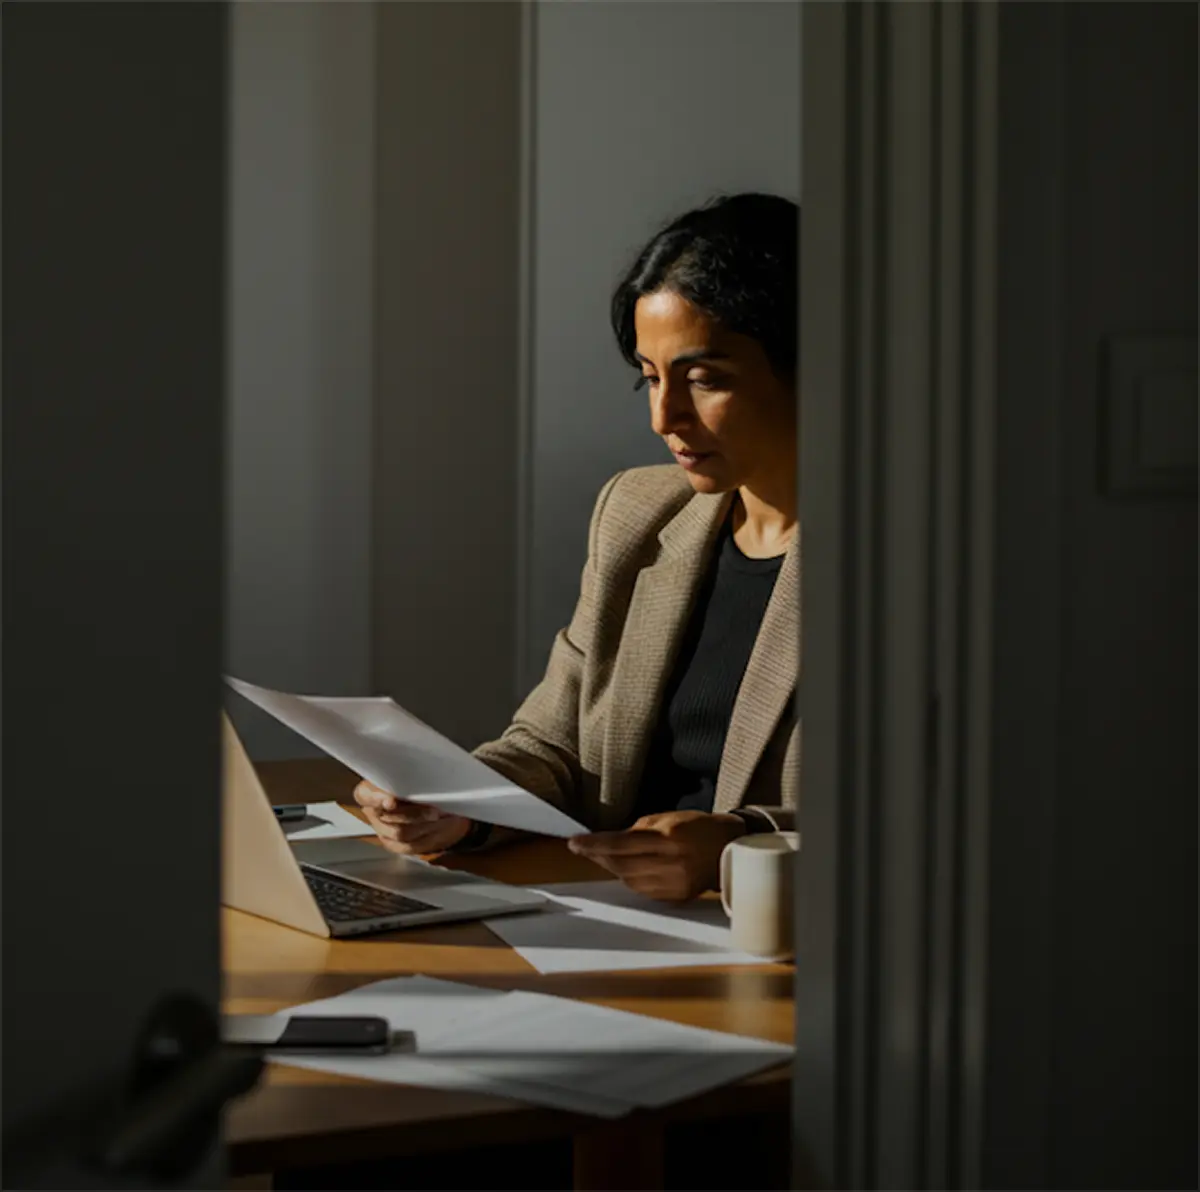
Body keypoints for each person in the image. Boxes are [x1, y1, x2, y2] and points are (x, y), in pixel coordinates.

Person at [356, 192, 799, 902]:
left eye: (704, 379)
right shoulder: (639, 514)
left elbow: (955, 817)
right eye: (648, 379)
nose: (664, 417)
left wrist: (738, 844)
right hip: (606, 924)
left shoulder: (922, 561)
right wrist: (457, 804)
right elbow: (555, 748)